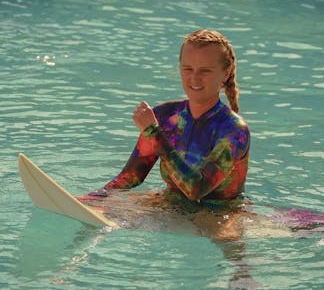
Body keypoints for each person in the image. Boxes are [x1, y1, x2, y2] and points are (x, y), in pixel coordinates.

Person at [89, 29, 251, 209]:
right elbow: (132, 176)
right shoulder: (165, 117)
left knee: (224, 237)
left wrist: (153, 132)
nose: (194, 78)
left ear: (226, 73)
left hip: (219, 214)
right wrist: (95, 197)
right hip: (170, 205)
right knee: (104, 210)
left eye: (205, 70)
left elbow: (196, 189)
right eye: (187, 69)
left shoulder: (234, 130)